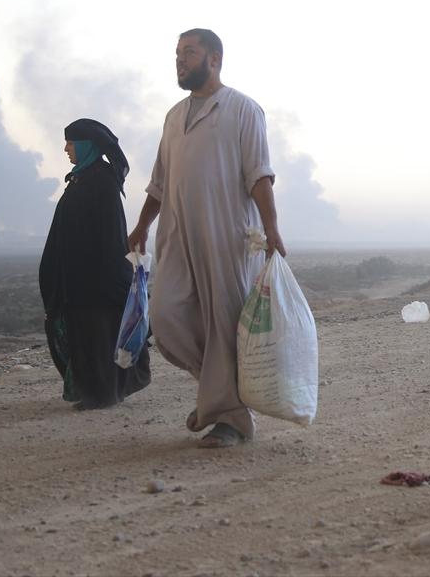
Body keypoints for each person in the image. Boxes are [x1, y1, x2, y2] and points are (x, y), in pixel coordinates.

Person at [128, 28, 283, 448]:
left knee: (222, 324)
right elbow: (159, 182)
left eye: (189, 53)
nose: (179, 60)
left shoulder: (242, 109)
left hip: (227, 237)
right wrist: (142, 225)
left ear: (213, 59)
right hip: (177, 236)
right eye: (177, 53)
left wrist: (272, 228)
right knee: (166, 319)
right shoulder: (174, 116)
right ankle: (222, 393)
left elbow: (259, 174)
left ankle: (229, 416)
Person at [40, 118, 150, 411]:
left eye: (71, 143)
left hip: (96, 280)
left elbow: (109, 235)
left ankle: (103, 393)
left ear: (87, 145)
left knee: (99, 336)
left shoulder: (101, 182)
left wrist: (105, 275)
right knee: (86, 337)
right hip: (79, 279)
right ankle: (93, 391)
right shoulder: (82, 178)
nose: (66, 149)